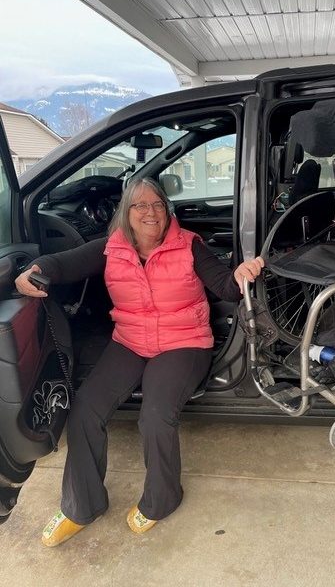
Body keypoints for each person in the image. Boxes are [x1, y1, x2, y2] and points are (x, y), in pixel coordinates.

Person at [15, 177, 264, 547]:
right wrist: (33, 271)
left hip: (184, 342)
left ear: (168, 210)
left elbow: (225, 286)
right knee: (85, 409)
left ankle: (162, 499)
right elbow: (61, 264)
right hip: (130, 341)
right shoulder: (110, 248)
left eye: (158, 205)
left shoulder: (189, 246)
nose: (151, 212)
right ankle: (81, 505)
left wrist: (241, 275)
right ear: (126, 213)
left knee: (155, 415)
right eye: (140, 205)